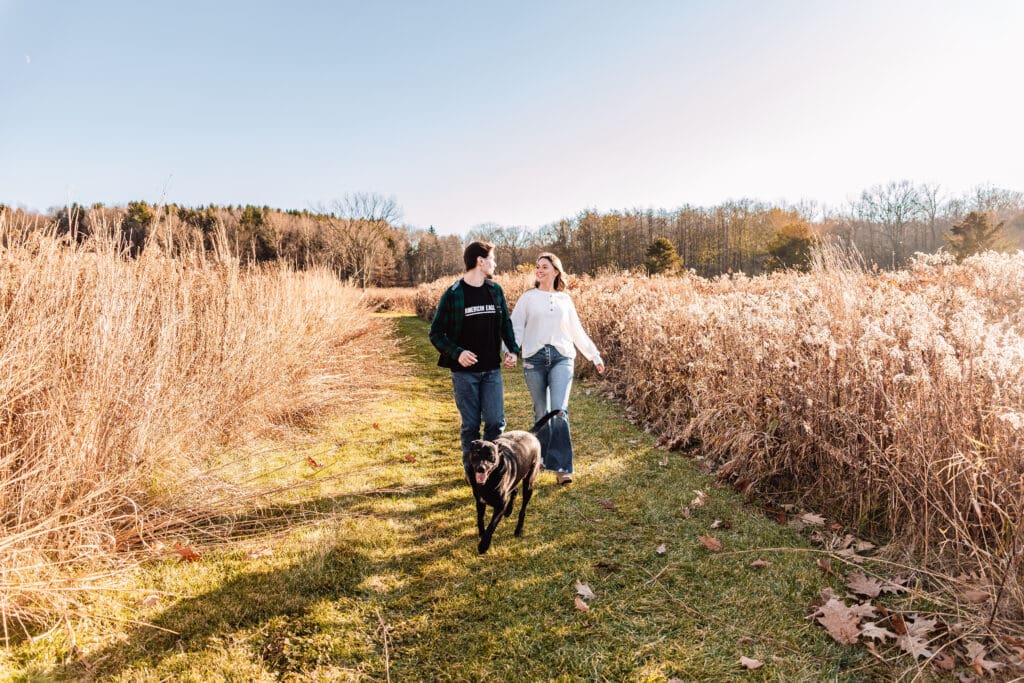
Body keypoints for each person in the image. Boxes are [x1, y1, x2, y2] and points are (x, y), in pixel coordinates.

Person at [510, 252, 605, 485]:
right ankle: (538, 460)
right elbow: (515, 328)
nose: (539, 270)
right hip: (534, 358)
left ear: (555, 271)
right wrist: (511, 351)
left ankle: (562, 467)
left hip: (562, 357)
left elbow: (576, 331)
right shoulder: (528, 298)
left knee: (559, 411)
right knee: (541, 411)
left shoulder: (565, 300)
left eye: (544, 266)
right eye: (537, 267)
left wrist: (594, 355)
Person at [429, 241, 520, 468]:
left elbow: (505, 326)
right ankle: (472, 471)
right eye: (492, 259)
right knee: (470, 426)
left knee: (495, 423)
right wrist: (457, 353)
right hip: (464, 374)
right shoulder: (453, 294)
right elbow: (436, 333)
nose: (495, 263)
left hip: (491, 370)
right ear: (480, 262)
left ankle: (491, 469)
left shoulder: (495, 291)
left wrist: (512, 351)